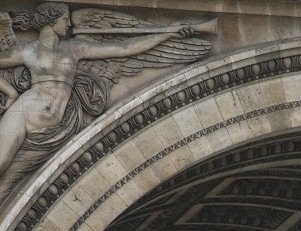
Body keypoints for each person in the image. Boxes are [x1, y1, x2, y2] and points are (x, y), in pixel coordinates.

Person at [0, 2, 194, 180]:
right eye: (64, 19)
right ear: (50, 21)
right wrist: (10, 92)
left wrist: (166, 33)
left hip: (56, 126)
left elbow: (124, 48)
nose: (68, 25)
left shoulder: (74, 48)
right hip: (24, 111)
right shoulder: (27, 51)